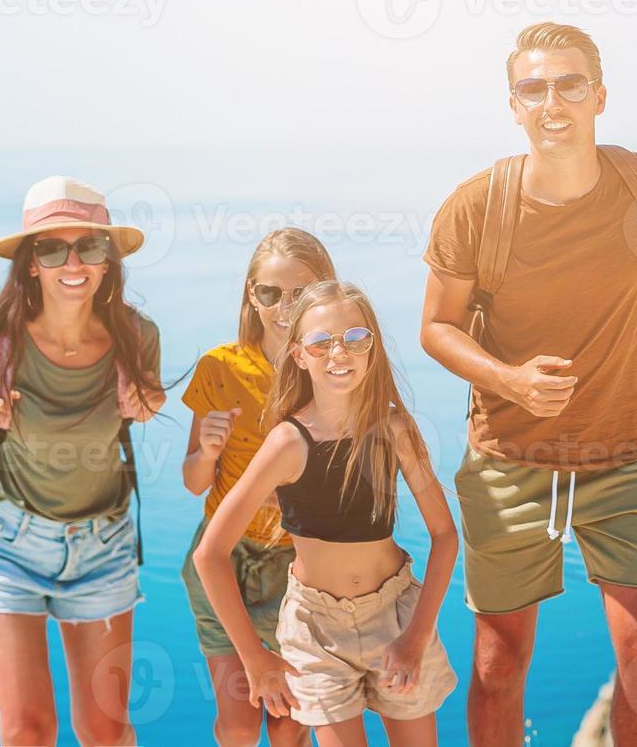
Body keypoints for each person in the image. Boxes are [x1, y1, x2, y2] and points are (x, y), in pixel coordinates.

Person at [419, 23, 637, 746]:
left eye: (569, 85)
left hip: (621, 456)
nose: (552, 101)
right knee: (499, 664)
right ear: (514, 104)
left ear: (599, 97)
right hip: (508, 459)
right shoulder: (474, 207)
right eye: (534, 87)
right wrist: (509, 380)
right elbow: (437, 327)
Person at [0, 175, 165, 746]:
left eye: (89, 245)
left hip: (104, 544)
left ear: (108, 259)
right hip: (5, 541)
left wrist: (148, 403)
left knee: (106, 730)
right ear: (31, 262)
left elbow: (149, 397)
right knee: (30, 730)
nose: (72, 262)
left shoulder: (136, 334)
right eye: (53, 248)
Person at [194, 280, 458, 747]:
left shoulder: (394, 429)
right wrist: (254, 658)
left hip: (396, 613)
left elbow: (444, 536)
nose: (340, 352)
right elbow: (209, 555)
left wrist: (416, 637)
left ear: (372, 348)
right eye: (321, 342)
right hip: (315, 632)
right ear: (298, 355)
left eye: (356, 338)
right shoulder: (286, 443)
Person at [178, 228, 335, 746]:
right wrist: (207, 452)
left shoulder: (332, 369)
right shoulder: (219, 367)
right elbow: (192, 480)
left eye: (299, 293)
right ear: (252, 294)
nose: (283, 306)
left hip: (300, 566)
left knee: (289, 728)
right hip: (224, 559)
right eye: (270, 293)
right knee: (238, 724)